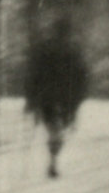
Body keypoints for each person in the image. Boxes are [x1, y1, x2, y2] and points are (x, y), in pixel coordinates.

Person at [24, 15, 89, 179]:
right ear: (68, 31)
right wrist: (79, 98)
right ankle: (53, 158)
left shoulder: (45, 48)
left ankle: (53, 157)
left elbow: (34, 74)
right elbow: (82, 76)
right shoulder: (74, 50)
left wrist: (31, 99)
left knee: (54, 129)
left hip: (47, 97)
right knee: (59, 129)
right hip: (66, 98)